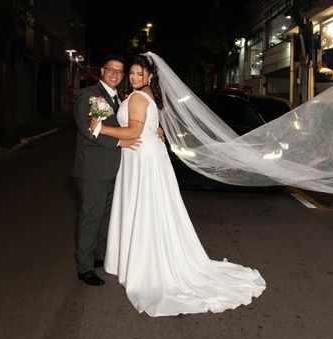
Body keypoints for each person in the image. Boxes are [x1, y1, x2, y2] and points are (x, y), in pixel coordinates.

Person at [89, 54, 266, 316]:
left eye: (140, 74)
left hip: (140, 156)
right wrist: (154, 130)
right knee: (151, 208)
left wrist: (100, 128)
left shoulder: (138, 96)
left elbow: (134, 131)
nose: (135, 78)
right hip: (146, 155)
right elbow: (146, 126)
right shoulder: (148, 95)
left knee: (143, 207)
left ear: (150, 76)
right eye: (133, 74)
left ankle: (143, 263)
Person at [72, 55, 139, 286]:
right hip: (93, 169)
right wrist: (120, 143)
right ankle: (85, 267)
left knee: (106, 215)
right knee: (92, 216)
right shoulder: (92, 95)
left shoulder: (118, 99)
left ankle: (99, 255)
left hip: (112, 169)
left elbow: (127, 127)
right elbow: (92, 130)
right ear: (102, 70)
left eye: (120, 72)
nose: (116, 74)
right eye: (111, 69)